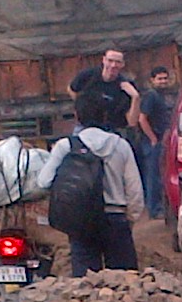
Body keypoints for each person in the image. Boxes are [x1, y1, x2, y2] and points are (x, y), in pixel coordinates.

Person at [60, 86, 143, 273]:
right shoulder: (121, 145)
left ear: (76, 115)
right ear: (105, 116)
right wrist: (130, 219)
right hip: (116, 219)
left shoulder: (65, 147)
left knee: (85, 284)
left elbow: (44, 182)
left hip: (81, 222)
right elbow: (134, 190)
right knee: (125, 282)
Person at [136, 65, 176, 219]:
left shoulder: (163, 96)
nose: (163, 82)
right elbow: (142, 119)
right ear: (152, 80)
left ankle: (158, 207)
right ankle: (154, 209)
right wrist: (152, 138)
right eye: (160, 79)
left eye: (165, 78)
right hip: (152, 142)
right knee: (153, 176)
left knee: (159, 174)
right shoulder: (151, 96)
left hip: (161, 140)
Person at [70, 49, 138, 134]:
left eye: (118, 62)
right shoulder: (87, 76)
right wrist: (79, 107)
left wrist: (135, 97)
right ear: (104, 60)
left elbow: (132, 122)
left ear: (122, 64)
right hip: (84, 128)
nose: (113, 65)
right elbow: (72, 89)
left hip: (110, 130)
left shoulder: (126, 86)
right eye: (110, 61)